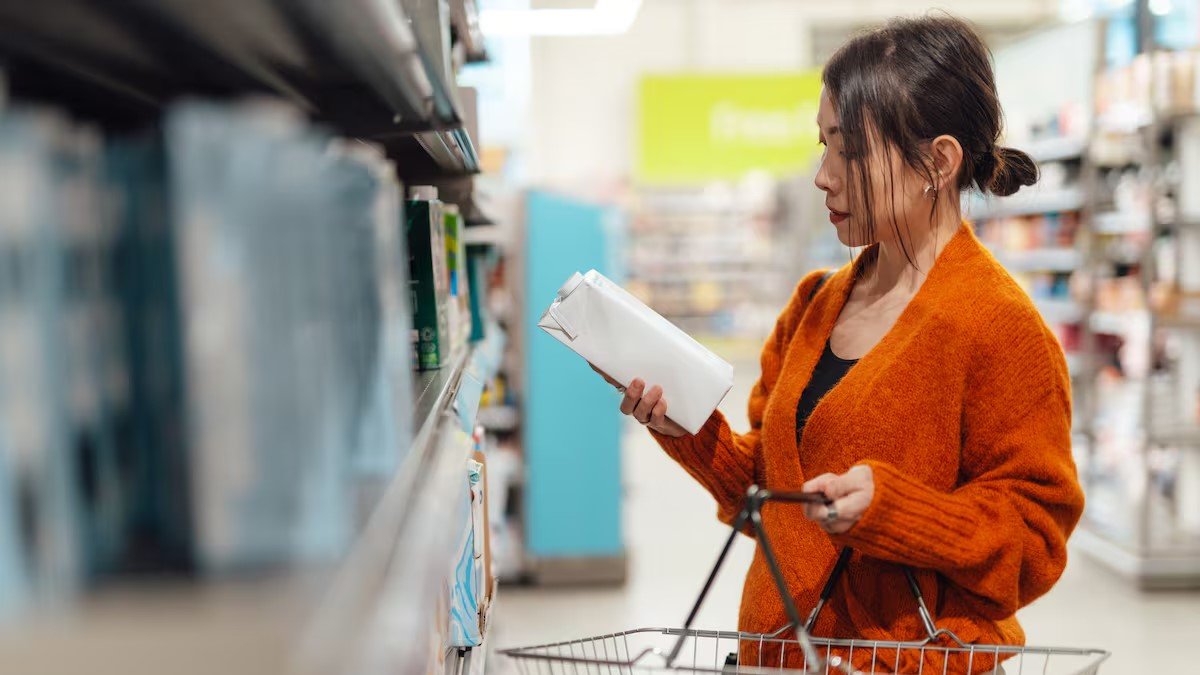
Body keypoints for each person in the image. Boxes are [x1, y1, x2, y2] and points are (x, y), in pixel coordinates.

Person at [593, 14, 1085, 674]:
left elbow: (1034, 541)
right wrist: (684, 426)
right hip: (779, 655)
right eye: (823, 144)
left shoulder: (1000, 327)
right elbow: (773, 501)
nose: (823, 175)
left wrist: (892, 512)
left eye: (849, 150)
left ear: (938, 161)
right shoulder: (815, 304)